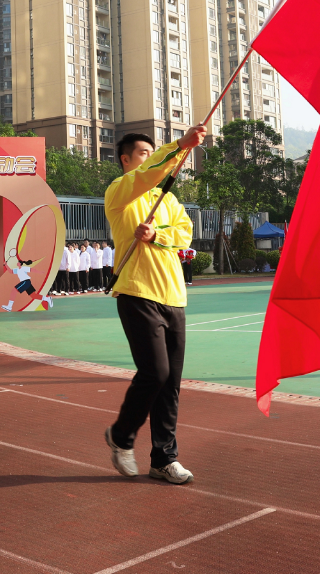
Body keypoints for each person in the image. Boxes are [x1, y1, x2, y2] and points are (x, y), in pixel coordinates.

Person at [103, 126, 204, 486]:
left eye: (152, 151)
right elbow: (149, 174)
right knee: (155, 373)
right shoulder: (120, 192)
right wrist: (179, 146)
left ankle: (164, 458)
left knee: (171, 384)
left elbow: (184, 233)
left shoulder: (169, 201)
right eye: (143, 153)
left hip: (173, 297)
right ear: (125, 160)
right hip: (137, 292)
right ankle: (121, 436)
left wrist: (157, 234)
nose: (149, 157)